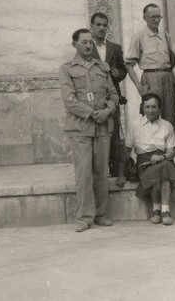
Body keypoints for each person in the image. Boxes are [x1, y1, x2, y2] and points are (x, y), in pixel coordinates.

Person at [59, 28, 118, 232]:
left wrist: (107, 111)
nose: (88, 45)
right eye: (83, 42)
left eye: (90, 42)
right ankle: (85, 217)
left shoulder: (102, 67)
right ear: (74, 44)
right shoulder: (67, 68)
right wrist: (93, 113)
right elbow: (69, 100)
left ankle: (101, 214)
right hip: (80, 127)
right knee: (84, 172)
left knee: (101, 171)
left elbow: (114, 95)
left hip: (103, 126)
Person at [124, 93, 175, 226]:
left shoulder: (167, 126)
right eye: (147, 107)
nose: (150, 110)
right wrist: (121, 173)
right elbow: (126, 150)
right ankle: (163, 210)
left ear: (160, 109)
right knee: (161, 170)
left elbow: (171, 152)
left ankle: (159, 209)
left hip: (163, 159)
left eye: (154, 107)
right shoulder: (135, 125)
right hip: (144, 163)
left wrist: (162, 157)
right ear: (142, 108)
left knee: (163, 167)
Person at [126, 3, 175, 126]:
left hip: (167, 78)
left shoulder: (165, 36)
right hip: (150, 79)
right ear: (144, 18)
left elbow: (171, 60)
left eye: (158, 17)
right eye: (152, 17)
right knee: (152, 115)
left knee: (170, 116)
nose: (156, 20)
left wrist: (173, 79)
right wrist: (139, 87)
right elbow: (129, 66)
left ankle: (169, 144)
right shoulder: (138, 37)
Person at [90, 12, 128, 177]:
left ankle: (114, 167)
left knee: (113, 132)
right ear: (91, 26)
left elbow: (123, 70)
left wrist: (117, 72)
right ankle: (98, 169)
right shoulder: (87, 47)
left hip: (113, 96)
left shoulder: (115, 48)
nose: (101, 28)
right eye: (98, 25)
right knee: (95, 131)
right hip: (94, 97)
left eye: (104, 25)